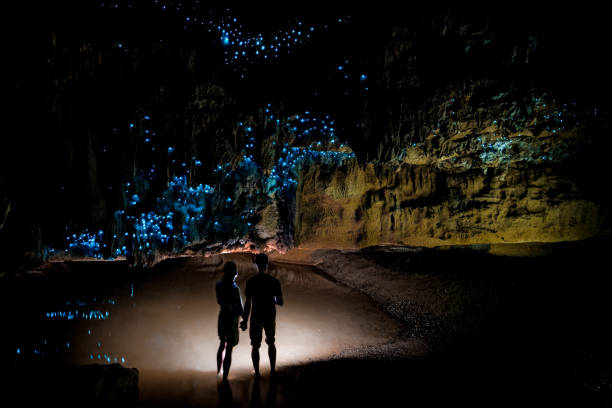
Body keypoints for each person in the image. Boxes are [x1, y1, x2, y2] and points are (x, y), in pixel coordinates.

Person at [241, 253, 283, 376]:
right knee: (271, 342)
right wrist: (272, 299)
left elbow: (248, 303)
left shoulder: (251, 282)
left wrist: (244, 320)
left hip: (256, 316)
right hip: (270, 314)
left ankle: (257, 372)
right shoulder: (274, 281)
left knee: (255, 345)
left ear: (256, 265)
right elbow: (280, 302)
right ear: (267, 264)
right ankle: (273, 370)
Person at [216, 261, 244, 381]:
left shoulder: (218, 285)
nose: (236, 275)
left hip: (222, 317)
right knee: (229, 349)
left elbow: (220, 301)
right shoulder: (234, 288)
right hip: (231, 319)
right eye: (235, 273)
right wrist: (244, 320)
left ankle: (219, 372)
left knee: (222, 344)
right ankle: (225, 378)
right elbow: (240, 307)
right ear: (233, 273)